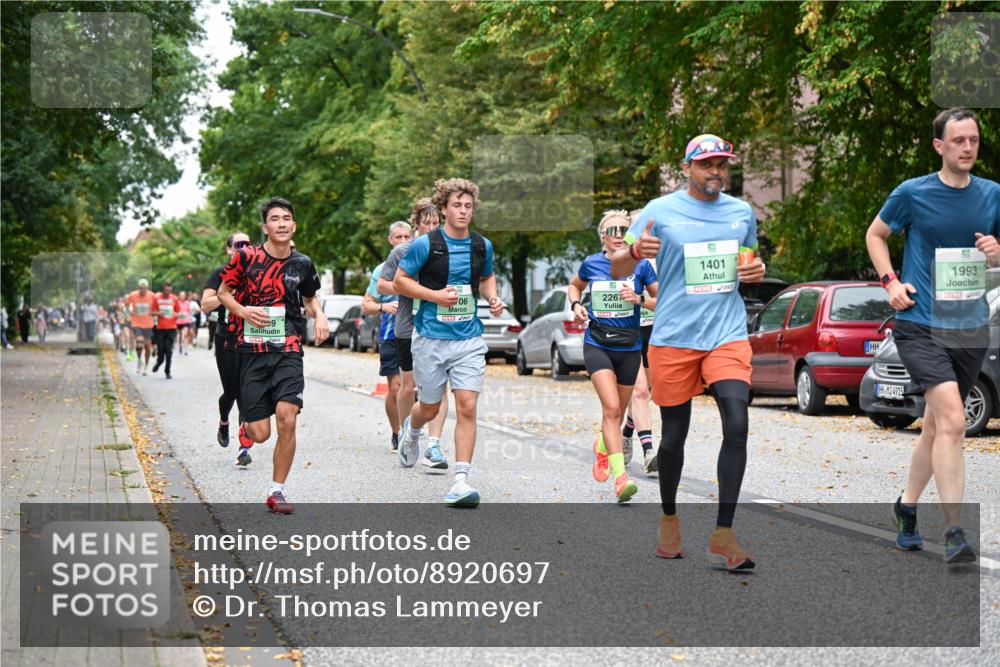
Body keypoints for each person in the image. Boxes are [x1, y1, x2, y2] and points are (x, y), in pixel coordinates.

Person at [613, 133, 766, 571]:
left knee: (737, 421)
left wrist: (755, 269)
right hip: (674, 335)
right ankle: (669, 519)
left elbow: (750, 263)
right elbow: (620, 265)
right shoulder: (658, 211)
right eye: (706, 164)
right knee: (673, 436)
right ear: (687, 168)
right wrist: (635, 251)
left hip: (726, 333)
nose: (715, 171)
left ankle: (724, 533)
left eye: (722, 164)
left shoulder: (741, 212)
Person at [865, 107, 1000, 563]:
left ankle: (906, 506)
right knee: (955, 421)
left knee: (938, 427)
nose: (967, 148)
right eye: (958, 140)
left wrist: (997, 254)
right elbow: (876, 235)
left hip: (969, 326)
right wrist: (890, 283)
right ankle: (956, 530)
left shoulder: (993, 195)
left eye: (974, 140)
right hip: (920, 323)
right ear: (939, 146)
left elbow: (999, 260)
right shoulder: (913, 193)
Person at [394, 178, 505, 507]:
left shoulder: (482, 245)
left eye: (468, 206)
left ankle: (461, 481)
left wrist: (493, 297)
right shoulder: (425, 245)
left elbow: (486, 278)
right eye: (457, 205)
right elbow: (400, 281)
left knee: (467, 406)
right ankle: (412, 431)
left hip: (468, 338)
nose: (463, 211)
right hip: (429, 338)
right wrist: (435, 296)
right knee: (429, 406)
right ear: (443, 209)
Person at [218, 197, 329, 514]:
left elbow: (310, 297)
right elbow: (224, 292)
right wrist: (243, 311)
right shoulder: (245, 258)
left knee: (287, 419)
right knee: (261, 434)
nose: (281, 223)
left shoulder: (303, 264)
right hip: (251, 351)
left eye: (287, 218)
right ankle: (246, 427)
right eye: (275, 219)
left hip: (289, 347)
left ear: (293, 225)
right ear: (265, 227)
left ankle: (276, 491)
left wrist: (319, 316)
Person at [569, 210, 658, 503]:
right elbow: (575, 285)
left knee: (617, 414)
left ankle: (603, 445)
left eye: (624, 229)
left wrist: (640, 300)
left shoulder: (642, 266)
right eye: (613, 230)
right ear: (603, 237)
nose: (619, 234)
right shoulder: (591, 264)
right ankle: (621, 480)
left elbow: (663, 301)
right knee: (610, 408)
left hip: (630, 347)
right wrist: (576, 304)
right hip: (598, 343)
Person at [377, 199, 450, 461]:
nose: (431, 227)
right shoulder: (402, 252)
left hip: (439, 327)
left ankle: (434, 444)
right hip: (407, 328)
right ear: (416, 224)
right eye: (426, 223)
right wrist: (409, 285)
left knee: (439, 388)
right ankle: (409, 436)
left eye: (436, 222)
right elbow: (382, 286)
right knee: (408, 387)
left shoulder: (448, 250)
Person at [362, 221, 413, 452]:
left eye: (407, 237)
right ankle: (398, 432)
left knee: (413, 388)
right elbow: (367, 304)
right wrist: (384, 307)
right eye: (398, 237)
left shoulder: (421, 264)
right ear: (390, 240)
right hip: (391, 334)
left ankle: (412, 429)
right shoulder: (381, 270)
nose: (403, 241)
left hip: (417, 333)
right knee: (395, 387)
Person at [203, 232, 252, 448]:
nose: (243, 248)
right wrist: (227, 292)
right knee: (231, 391)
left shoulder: (256, 272)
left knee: (246, 390)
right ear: (229, 250)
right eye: (238, 244)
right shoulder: (220, 273)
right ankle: (224, 421)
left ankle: (244, 444)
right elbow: (205, 305)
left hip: (250, 338)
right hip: (226, 338)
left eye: (247, 244)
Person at [127, 279, 157, 374]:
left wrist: (155, 314)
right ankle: (139, 361)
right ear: (138, 288)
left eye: (144, 288)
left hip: (148, 324)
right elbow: (124, 305)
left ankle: (146, 365)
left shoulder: (152, 295)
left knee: (147, 346)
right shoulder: (133, 295)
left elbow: (156, 307)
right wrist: (128, 313)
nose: (143, 290)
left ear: (147, 288)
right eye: (141, 288)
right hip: (136, 323)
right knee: (139, 342)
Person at [151, 282, 181, 379]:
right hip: (160, 328)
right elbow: (151, 312)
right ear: (163, 289)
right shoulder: (157, 298)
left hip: (171, 328)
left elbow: (178, 312)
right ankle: (159, 362)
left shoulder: (174, 298)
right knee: (161, 350)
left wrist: (176, 315)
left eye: (169, 290)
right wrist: (158, 313)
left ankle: (167, 371)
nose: (168, 292)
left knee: (168, 351)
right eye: (166, 290)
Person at [175, 290, 191, 355]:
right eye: (181, 295)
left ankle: (185, 349)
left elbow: (189, 311)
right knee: (179, 336)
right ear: (179, 296)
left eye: (183, 295)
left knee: (185, 335)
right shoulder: (176, 302)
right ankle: (180, 345)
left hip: (186, 321)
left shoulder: (187, 303)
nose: (182, 296)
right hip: (178, 321)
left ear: (185, 296)